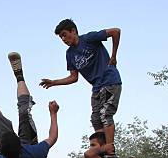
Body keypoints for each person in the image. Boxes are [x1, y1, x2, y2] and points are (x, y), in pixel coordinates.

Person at [41, 19, 121, 149]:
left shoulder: (89, 39)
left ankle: (110, 149)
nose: (63, 39)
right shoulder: (69, 54)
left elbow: (115, 32)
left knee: (105, 114)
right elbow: (73, 77)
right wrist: (54, 82)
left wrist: (113, 55)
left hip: (109, 81)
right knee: (96, 119)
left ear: (73, 31)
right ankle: (101, 148)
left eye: (64, 34)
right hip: (96, 87)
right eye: (61, 37)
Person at [0, 52, 59, 158]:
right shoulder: (34, 153)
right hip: (29, 144)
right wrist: (53, 113)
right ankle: (19, 76)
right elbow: (52, 138)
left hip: (15, 156)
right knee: (24, 112)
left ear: (0, 148)